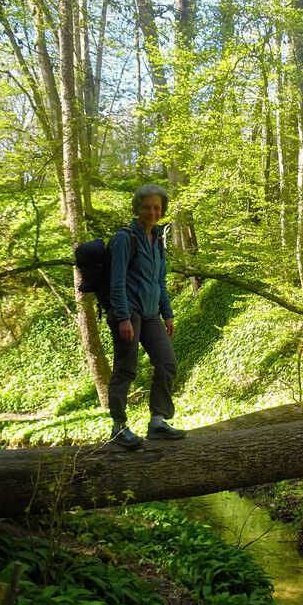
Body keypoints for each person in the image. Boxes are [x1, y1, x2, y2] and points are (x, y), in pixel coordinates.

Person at [107, 184, 186, 448]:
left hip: (152, 313)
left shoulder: (157, 241)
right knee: (126, 369)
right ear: (137, 208)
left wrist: (168, 314)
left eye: (157, 207)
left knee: (167, 362)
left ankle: (157, 423)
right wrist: (123, 318)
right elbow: (116, 281)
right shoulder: (124, 238)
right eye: (147, 207)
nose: (152, 212)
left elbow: (159, 282)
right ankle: (119, 428)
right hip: (129, 311)